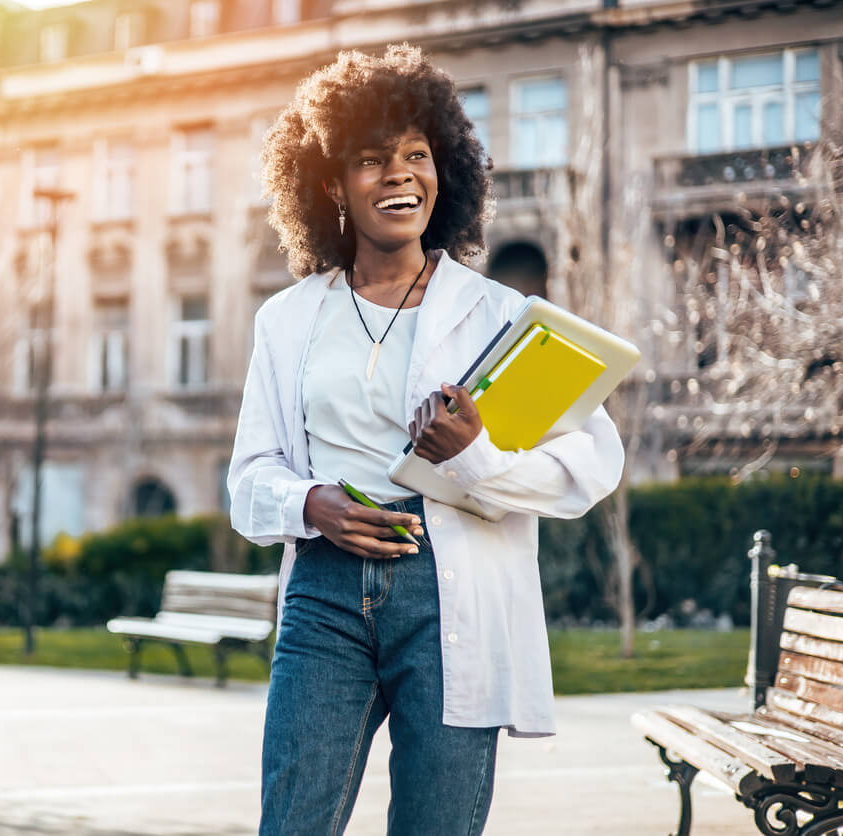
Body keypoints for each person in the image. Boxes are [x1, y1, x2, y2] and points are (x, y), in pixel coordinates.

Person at [227, 45, 625, 835]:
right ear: (331, 184)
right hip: (325, 594)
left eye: (417, 155)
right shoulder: (289, 319)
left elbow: (593, 465)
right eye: (372, 160)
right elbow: (248, 478)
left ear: (447, 173)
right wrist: (312, 503)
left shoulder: (499, 315)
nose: (400, 175)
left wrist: (475, 458)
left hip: (452, 592)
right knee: (293, 821)